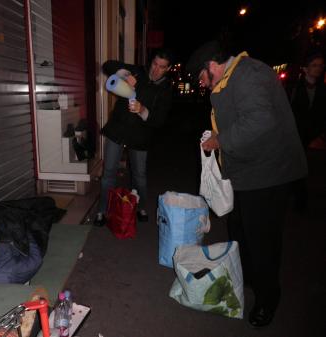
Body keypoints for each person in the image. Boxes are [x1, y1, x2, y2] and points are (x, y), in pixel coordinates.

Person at [187, 40, 308, 327]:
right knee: (241, 228)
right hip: (250, 173)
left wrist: (220, 140)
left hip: (268, 174)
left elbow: (260, 120)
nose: (203, 84)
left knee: (263, 239)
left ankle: (268, 299)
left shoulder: (248, 74)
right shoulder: (233, 77)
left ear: (212, 65)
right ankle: (251, 279)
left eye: (202, 77)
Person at [94, 49, 173, 226]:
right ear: (151, 61)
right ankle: (102, 210)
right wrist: (124, 75)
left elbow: (159, 120)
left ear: (167, 69)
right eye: (154, 64)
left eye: (161, 67)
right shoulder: (138, 71)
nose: (155, 69)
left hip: (140, 136)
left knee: (139, 176)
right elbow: (108, 65)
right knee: (108, 174)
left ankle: (140, 207)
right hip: (118, 130)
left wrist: (143, 110)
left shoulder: (166, 90)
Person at [289, 51, 326, 210]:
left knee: (302, 167)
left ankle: (299, 198)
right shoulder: (295, 88)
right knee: (295, 166)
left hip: (309, 136)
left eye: (320, 65)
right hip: (293, 134)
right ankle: (298, 198)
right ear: (306, 69)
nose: (318, 68)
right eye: (314, 65)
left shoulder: (322, 89)